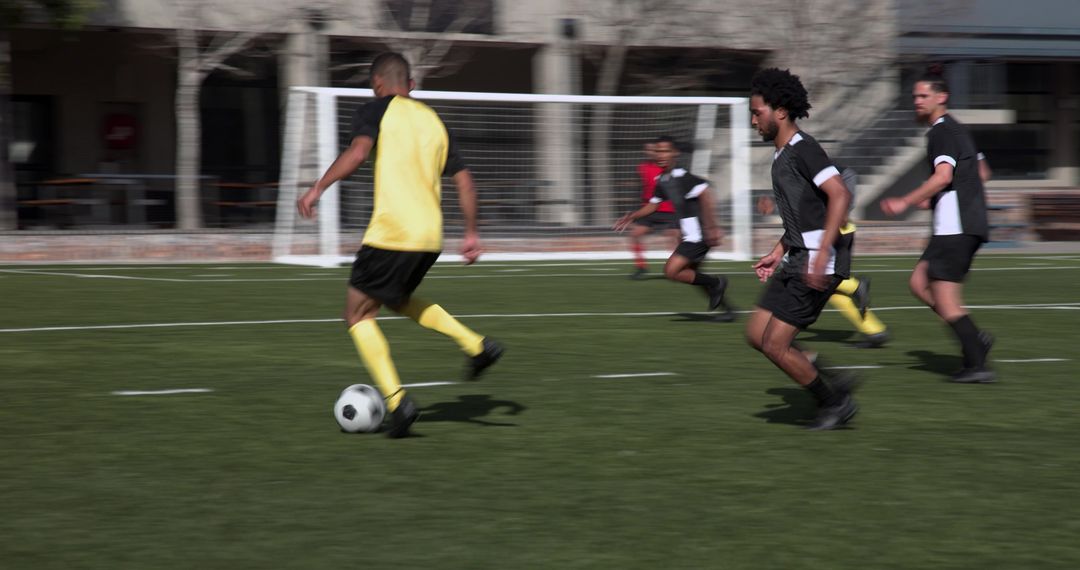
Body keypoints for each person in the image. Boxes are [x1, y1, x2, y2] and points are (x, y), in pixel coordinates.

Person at [297, 52, 504, 438]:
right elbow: (465, 181)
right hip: (429, 237)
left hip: (392, 233)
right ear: (411, 84)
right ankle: (475, 345)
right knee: (396, 300)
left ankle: (397, 402)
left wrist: (317, 187)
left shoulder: (375, 109)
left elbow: (358, 153)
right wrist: (471, 234)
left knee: (356, 315)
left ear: (377, 83)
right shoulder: (434, 121)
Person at [745, 68, 859, 430]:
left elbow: (839, 194)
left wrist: (822, 252)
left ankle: (835, 403)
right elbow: (805, 215)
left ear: (780, 111)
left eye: (757, 113)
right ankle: (831, 381)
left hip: (817, 260)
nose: (753, 121)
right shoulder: (781, 156)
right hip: (797, 256)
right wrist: (778, 251)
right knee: (756, 334)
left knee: (775, 345)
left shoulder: (803, 149)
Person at [880, 65, 994, 384]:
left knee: (945, 300)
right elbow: (982, 173)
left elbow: (943, 176)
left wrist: (905, 201)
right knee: (919, 284)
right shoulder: (956, 129)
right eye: (915, 96)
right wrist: (935, 198)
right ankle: (972, 338)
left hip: (955, 227)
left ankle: (977, 360)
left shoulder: (941, 131)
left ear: (941, 97)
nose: (917, 101)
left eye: (923, 96)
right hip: (958, 223)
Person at [613, 135, 734, 319]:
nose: (660, 155)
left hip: (698, 235)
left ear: (675, 153)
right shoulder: (663, 179)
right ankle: (728, 311)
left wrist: (711, 228)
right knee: (692, 275)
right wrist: (632, 216)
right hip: (690, 235)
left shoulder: (682, 176)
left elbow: (706, 193)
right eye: (658, 151)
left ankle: (717, 282)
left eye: (665, 151)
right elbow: (653, 205)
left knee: (671, 271)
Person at [756, 184, 889, 349]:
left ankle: (855, 286)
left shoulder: (818, 172)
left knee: (818, 280)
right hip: (824, 234)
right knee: (827, 290)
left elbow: (837, 196)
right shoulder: (797, 177)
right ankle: (874, 331)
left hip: (832, 234)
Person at [627, 140, 679, 279]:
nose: (650, 152)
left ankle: (677, 267)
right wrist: (634, 211)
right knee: (635, 234)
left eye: (653, 150)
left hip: (669, 209)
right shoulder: (642, 168)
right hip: (649, 209)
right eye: (647, 150)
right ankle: (641, 267)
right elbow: (639, 189)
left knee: (674, 237)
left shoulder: (670, 167)